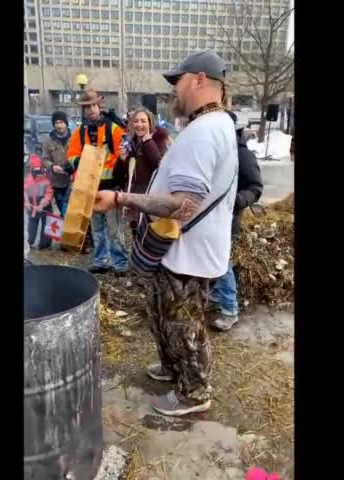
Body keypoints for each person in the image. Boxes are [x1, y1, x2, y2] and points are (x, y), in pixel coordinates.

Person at [93, 52, 237, 416]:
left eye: (179, 80)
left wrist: (123, 198)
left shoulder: (206, 130)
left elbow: (184, 203)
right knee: (163, 316)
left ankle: (194, 392)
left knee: (184, 324)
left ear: (200, 80)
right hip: (180, 249)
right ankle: (174, 369)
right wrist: (139, 202)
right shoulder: (207, 126)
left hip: (187, 251)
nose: (174, 89)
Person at [208, 113, 264, 331]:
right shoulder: (215, 152)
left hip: (229, 217)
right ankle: (216, 296)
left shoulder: (243, 155)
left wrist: (237, 200)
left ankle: (230, 309)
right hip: (209, 217)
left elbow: (256, 187)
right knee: (211, 257)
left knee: (223, 260)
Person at [66, 88, 127, 275]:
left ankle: (120, 264)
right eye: (86, 107)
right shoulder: (80, 131)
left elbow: (122, 156)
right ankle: (102, 261)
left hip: (110, 187)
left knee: (114, 229)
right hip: (89, 188)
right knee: (98, 229)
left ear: (99, 106)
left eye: (93, 105)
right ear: (83, 110)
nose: (90, 110)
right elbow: (71, 155)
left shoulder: (114, 129)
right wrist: (84, 161)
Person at [119, 107, 169, 239]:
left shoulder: (158, 140)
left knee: (149, 235)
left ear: (150, 123)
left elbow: (159, 166)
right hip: (134, 196)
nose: (139, 125)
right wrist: (122, 160)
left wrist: (148, 143)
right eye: (136, 121)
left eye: (143, 121)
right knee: (136, 234)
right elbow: (121, 174)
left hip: (150, 196)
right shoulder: (130, 143)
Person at [42, 111, 74, 216]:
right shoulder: (48, 141)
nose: (59, 125)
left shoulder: (74, 138)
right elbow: (45, 159)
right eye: (56, 123)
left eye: (61, 122)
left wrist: (74, 170)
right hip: (57, 182)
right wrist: (51, 166)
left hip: (72, 181)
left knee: (70, 211)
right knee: (62, 208)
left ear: (66, 123)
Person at [24, 154, 54, 250]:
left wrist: (43, 204)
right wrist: (26, 203)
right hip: (32, 207)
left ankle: (45, 244)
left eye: (39, 168)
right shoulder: (27, 180)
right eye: (35, 168)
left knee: (47, 226)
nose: (37, 171)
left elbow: (49, 193)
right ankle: (30, 241)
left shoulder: (46, 178)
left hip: (45, 207)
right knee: (32, 226)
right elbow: (24, 192)